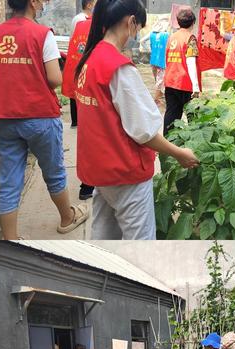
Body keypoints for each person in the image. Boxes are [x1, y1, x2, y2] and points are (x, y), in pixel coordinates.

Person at [74, 0, 199, 240]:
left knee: (103, 238)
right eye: (138, 27)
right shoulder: (118, 68)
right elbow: (144, 132)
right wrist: (178, 153)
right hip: (125, 171)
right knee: (141, 241)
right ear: (130, 22)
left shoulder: (90, 59)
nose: (136, 34)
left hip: (101, 169)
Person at [0, 0, 89, 240]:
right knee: (53, 171)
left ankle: (10, 239)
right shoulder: (42, 34)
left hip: (6, 118)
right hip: (40, 116)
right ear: (32, 2)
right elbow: (54, 79)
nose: (44, 2)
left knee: (9, 181)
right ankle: (67, 217)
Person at [62, 15, 96, 200]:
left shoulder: (80, 24)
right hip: (93, 84)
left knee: (87, 136)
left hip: (81, 77)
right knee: (94, 137)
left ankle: (87, 185)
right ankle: (88, 185)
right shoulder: (102, 25)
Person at [163, 9, 201, 135]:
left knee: (172, 114)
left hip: (170, 81)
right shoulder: (190, 38)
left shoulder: (171, 37)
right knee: (193, 116)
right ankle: (195, 144)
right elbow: (191, 62)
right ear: (193, 22)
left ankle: (167, 146)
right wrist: (195, 86)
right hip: (185, 83)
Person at [140, 18, 170, 106]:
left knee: (157, 79)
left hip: (153, 60)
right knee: (160, 81)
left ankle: (161, 96)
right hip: (162, 61)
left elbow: (142, 41)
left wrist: (149, 49)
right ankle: (156, 99)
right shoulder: (167, 35)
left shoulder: (152, 34)